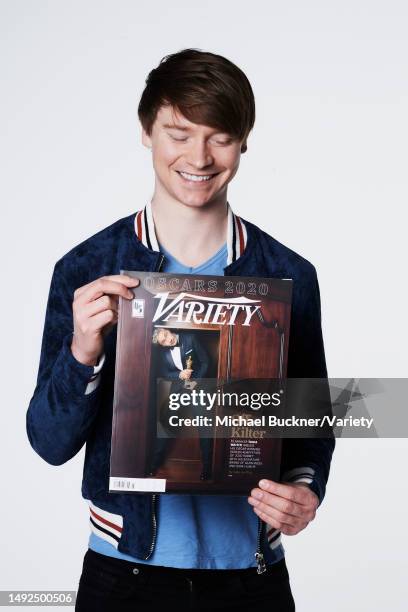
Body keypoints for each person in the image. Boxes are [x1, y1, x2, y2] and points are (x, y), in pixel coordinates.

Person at [26, 48, 335, 611]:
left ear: (244, 141)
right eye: (179, 132)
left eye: (220, 136)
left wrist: (306, 489)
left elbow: (312, 419)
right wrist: (82, 352)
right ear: (147, 132)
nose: (199, 155)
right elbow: (48, 443)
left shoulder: (289, 275)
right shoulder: (87, 268)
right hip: (125, 573)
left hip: (251, 575)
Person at [150, 327, 213, 480]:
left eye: (165, 335)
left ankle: (208, 468)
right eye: (163, 342)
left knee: (204, 426)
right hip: (178, 389)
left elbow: (206, 361)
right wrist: (178, 374)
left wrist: (196, 382)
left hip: (198, 387)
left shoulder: (190, 338)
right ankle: (154, 463)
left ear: (166, 329)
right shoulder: (163, 352)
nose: (167, 340)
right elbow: (163, 372)